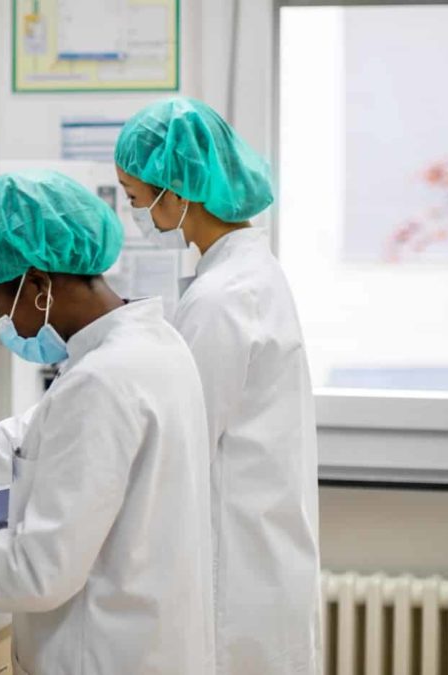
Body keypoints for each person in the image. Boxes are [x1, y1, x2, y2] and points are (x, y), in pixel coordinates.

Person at [0, 169, 214, 674]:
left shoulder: (104, 379)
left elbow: (38, 573)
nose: (4, 327)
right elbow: (23, 439)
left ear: (37, 284)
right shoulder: (149, 347)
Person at [115, 97, 322, 675]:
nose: (138, 215)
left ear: (176, 191)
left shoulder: (221, 299)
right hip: (263, 559)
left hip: (238, 576)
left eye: (136, 197)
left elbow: (179, 443)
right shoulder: (250, 275)